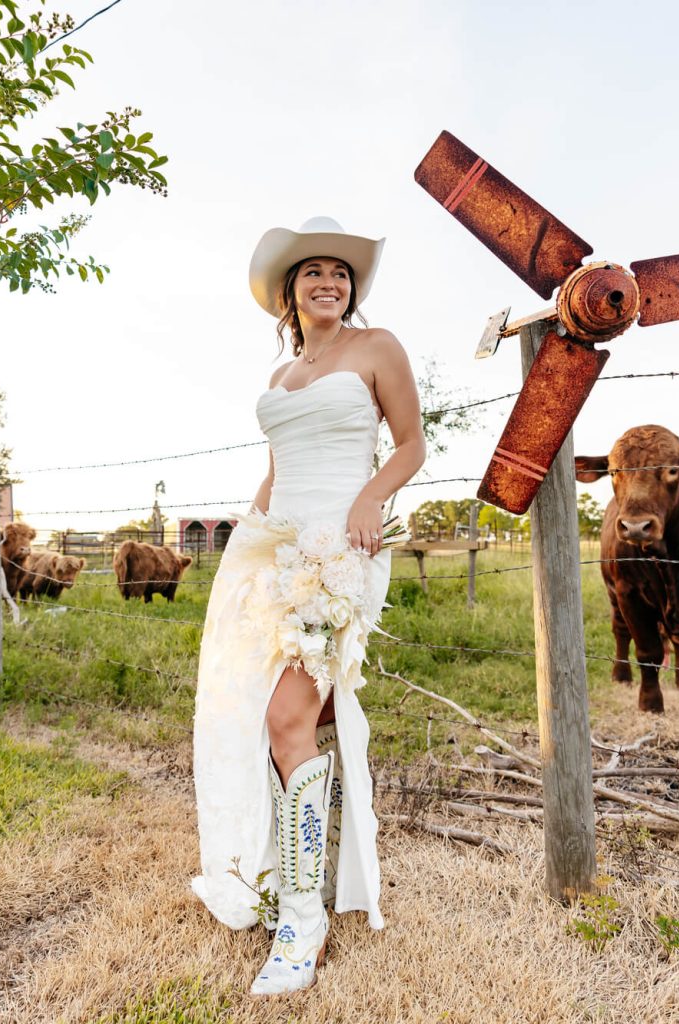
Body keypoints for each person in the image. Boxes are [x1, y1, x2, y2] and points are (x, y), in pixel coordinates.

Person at [191, 216, 425, 996]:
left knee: (290, 717)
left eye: (341, 272)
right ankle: (271, 872)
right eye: (313, 272)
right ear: (289, 291)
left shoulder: (377, 348)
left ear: (351, 288)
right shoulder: (283, 376)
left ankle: (303, 919)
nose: (329, 282)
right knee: (254, 715)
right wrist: (246, 535)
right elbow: (275, 469)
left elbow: (410, 445)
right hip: (272, 549)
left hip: (341, 549)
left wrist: (369, 500)